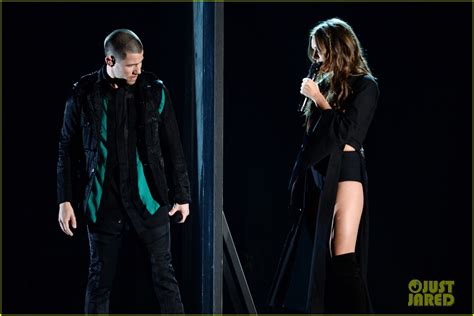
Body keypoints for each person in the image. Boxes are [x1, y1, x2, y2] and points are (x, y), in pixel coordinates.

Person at [57, 29, 191, 314]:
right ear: (109, 60)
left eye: (140, 64)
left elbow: (173, 146)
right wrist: (64, 200)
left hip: (150, 201)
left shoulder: (154, 90)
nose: (137, 70)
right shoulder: (83, 93)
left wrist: (182, 195)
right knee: (99, 282)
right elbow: (66, 149)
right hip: (103, 204)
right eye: (131, 65)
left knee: (165, 279)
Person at [268, 18, 379, 313]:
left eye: (320, 51)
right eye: (314, 52)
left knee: (343, 255)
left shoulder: (365, 86)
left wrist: (318, 99)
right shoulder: (328, 85)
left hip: (345, 172)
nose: (316, 59)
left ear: (337, 48)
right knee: (325, 258)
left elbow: (347, 133)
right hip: (320, 174)